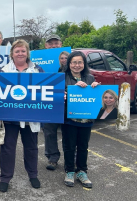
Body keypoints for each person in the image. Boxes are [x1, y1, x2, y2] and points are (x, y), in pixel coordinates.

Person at [0, 39, 43, 193]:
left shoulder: (37, 70)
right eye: (17, 51)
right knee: (7, 149)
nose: (20, 53)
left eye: (23, 50)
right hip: (10, 118)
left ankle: (33, 175)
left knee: (31, 148)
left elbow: (46, 90)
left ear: (27, 52)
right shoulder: (3, 71)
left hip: (31, 117)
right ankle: (5, 178)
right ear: (12, 53)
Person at [63, 51, 99, 188]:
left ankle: (82, 171)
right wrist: (69, 91)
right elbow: (57, 95)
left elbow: (96, 97)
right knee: (69, 146)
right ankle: (70, 171)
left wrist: (96, 88)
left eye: (80, 62)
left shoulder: (90, 78)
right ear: (69, 64)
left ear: (84, 64)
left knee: (83, 146)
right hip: (69, 118)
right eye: (74, 62)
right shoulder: (63, 78)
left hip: (86, 120)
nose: (77, 65)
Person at [42, 34, 63, 170]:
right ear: (46, 45)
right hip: (47, 99)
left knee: (69, 132)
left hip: (65, 100)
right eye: (51, 43)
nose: (53, 45)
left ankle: (71, 159)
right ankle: (52, 158)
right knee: (49, 131)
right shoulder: (39, 59)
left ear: (61, 44)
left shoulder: (69, 58)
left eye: (56, 43)